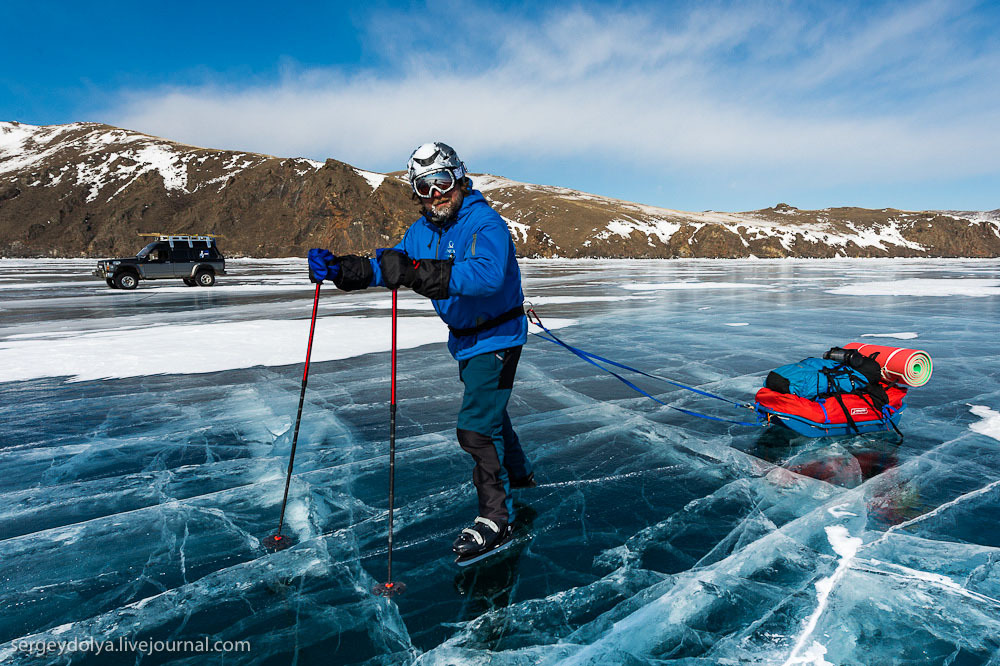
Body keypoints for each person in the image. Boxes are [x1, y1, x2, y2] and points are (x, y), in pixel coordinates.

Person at [308, 142, 534, 558]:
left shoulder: (486, 223)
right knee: (491, 410)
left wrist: (413, 271)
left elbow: (485, 276)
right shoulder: (422, 231)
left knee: (475, 427)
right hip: (466, 338)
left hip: (498, 337)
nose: (436, 194)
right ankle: (519, 475)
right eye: (424, 186)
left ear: (460, 178)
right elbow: (387, 264)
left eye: (442, 182)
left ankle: (496, 519)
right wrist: (340, 268)